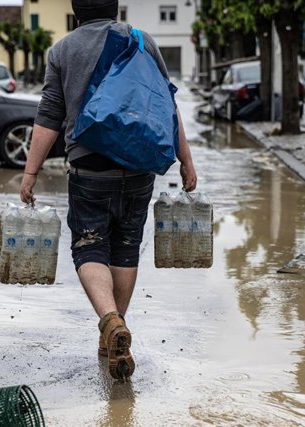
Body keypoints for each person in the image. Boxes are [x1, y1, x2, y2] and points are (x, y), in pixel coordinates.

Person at [19, 0, 197, 380]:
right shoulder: (141, 39)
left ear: (76, 12)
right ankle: (114, 333)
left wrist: (30, 172)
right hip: (138, 165)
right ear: (115, 9)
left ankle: (110, 320)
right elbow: (166, 105)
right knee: (125, 245)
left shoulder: (64, 49)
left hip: (90, 167)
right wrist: (186, 160)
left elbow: (49, 116)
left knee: (89, 245)